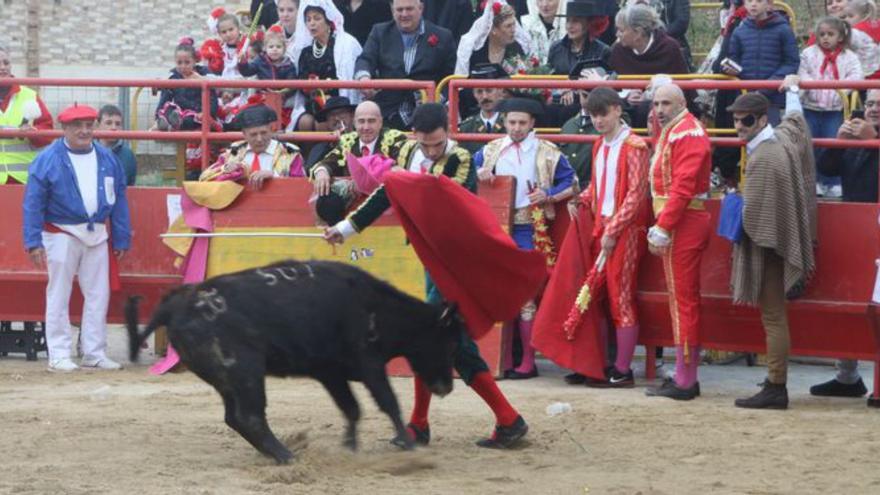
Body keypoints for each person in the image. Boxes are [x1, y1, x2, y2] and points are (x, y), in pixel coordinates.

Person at [323, 103, 529, 449]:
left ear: (447, 133)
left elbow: (441, 196)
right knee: (450, 344)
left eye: (437, 144)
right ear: (414, 137)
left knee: (430, 337)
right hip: (433, 262)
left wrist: (407, 179)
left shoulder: (461, 158)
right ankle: (500, 420)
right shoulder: (409, 153)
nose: (431, 151)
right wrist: (345, 228)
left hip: (459, 264)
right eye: (425, 145)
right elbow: (388, 191)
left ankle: (425, 426)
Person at [728, 77, 818, 409]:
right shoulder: (783, 138)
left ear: (762, 119)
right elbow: (796, 123)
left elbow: (757, 221)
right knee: (776, 317)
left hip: (769, 249)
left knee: (774, 318)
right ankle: (774, 381)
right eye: (735, 120)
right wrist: (793, 90)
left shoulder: (764, 157)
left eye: (746, 120)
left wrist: (735, 208)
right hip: (784, 241)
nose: (739, 126)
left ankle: (776, 386)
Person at [22, 104, 131, 372]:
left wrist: (121, 237)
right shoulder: (46, 159)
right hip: (61, 233)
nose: (84, 131)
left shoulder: (108, 158)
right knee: (58, 293)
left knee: (98, 294)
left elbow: (119, 200)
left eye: (88, 125)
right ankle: (58, 354)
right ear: (64, 128)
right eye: (77, 126)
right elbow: (33, 203)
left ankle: (94, 351)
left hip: (97, 234)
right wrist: (33, 241)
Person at [475, 97, 576, 378]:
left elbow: (572, 182)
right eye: (511, 122)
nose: (517, 128)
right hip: (497, 228)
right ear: (504, 122)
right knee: (500, 293)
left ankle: (526, 362)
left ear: (532, 123)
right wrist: (480, 173)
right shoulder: (491, 150)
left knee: (525, 296)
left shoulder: (547, 151)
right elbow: (469, 175)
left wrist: (548, 195)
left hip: (529, 228)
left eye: (522, 123)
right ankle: (503, 360)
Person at [808, 88, 879, 399]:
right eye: (871, 104)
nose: (873, 109)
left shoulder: (866, 133)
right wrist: (838, 142)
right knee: (850, 299)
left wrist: (870, 142)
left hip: (873, 226)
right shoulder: (856, 127)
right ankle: (847, 376)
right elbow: (827, 168)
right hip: (855, 224)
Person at [643, 84, 712, 401]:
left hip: (683, 222)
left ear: (682, 103)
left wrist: (664, 225)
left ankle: (686, 378)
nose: (659, 109)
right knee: (681, 298)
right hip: (681, 220)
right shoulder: (677, 129)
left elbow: (682, 186)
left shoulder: (687, 133)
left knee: (682, 299)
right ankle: (685, 374)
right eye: (656, 103)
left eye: (666, 103)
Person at [354, 0, 457, 130]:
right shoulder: (379, 32)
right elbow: (365, 59)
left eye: (409, 9)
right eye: (399, 10)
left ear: (420, 8)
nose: (404, 14)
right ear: (392, 10)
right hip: (388, 112)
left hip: (427, 114)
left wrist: (436, 99)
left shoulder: (443, 36)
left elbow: (450, 76)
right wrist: (364, 78)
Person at [311, 101, 407, 224]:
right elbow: (328, 162)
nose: (366, 127)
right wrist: (322, 172)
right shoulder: (348, 142)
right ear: (355, 123)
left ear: (380, 122)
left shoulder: (394, 139)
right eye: (361, 121)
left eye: (371, 121)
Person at [799, 16, 863, 198]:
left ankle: (832, 181)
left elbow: (857, 76)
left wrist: (840, 89)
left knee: (833, 144)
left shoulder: (849, 57)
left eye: (830, 34)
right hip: (811, 106)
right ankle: (815, 181)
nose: (825, 38)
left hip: (834, 109)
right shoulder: (809, 54)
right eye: (822, 34)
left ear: (840, 37)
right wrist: (812, 86)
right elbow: (802, 72)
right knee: (810, 144)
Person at [608, 3, 691, 128]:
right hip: (626, 112)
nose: (617, 35)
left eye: (621, 30)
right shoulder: (618, 51)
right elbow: (611, 87)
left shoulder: (669, 48)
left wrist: (651, 96)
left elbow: (683, 87)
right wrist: (626, 98)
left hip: (662, 112)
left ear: (638, 33)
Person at [289, 0, 363, 132]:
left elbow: (350, 78)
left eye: (317, 18)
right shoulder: (306, 51)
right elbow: (301, 81)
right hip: (314, 103)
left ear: (328, 21)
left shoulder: (346, 44)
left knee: (322, 122)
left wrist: (329, 85)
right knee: (305, 122)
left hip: (339, 102)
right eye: (308, 19)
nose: (312, 23)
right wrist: (312, 86)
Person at [725, 0, 799, 123]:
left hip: (772, 98)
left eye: (759, 1)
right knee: (747, 137)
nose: (753, 4)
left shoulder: (784, 30)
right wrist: (729, 69)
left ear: (769, 4)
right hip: (745, 95)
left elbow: (791, 62)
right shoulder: (739, 31)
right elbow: (733, 58)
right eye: (749, 1)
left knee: (771, 136)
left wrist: (767, 87)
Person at [199, 104, 305, 189]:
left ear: (271, 129)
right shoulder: (232, 153)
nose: (259, 139)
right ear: (244, 134)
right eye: (253, 134)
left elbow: (300, 187)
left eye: (263, 133)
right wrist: (229, 171)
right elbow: (204, 179)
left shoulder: (289, 153)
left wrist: (274, 176)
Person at [0, 44, 54, 185]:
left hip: (24, 180)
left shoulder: (29, 96)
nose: (3, 67)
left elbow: (48, 132)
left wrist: (33, 133)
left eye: (6, 63)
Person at [155, 38, 220, 132]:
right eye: (179, 63)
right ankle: (164, 122)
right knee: (168, 108)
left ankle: (177, 123)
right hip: (178, 110)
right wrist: (158, 115)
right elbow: (165, 98)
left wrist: (207, 112)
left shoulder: (203, 74)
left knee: (189, 120)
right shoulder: (173, 77)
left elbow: (212, 97)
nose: (183, 66)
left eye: (187, 62)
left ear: (194, 61)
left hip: (197, 112)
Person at [455, 2, 533, 77]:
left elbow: (523, 81)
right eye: (508, 26)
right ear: (494, 29)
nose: (513, 30)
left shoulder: (516, 48)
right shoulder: (477, 50)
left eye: (514, 25)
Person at [558, 60, 602, 186]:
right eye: (585, 95)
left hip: (596, 188)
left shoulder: (613, 121)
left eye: (596, 95)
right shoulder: (569, 125)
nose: (590, 101)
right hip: (568, 190)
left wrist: (605, 88)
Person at [457, 64, 509, 155]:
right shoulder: (467, 127)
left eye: (489, 90)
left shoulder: (511, 123)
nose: (484, 97)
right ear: (474, 94)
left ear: (500, 91)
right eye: (479, 91)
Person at [305, 96, 357, 169]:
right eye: (331, 115)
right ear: (327, 121)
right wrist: (332, 145)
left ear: (352, 116)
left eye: (341, 113)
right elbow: (310, 170)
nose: (336, 118)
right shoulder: (320, 148)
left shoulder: (362, 141)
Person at [96, 105, 138, 186]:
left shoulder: (128, 155)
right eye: (108, 123)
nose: (114, 127)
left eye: (118, 124)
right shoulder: (89, 151)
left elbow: (130, 187)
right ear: (98, 126)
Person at [200, 11, 246, 79]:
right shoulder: (220, 49)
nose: (228, 34)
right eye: (224, 32)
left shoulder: (247, 45)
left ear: (238, 28)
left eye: (231, 29)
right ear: (219, 34)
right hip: (223, 82)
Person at [522, 0, 566, 65]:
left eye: (550, 0)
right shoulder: (527, 25)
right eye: (540, 0)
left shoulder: (569, 27)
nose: (544, 4)